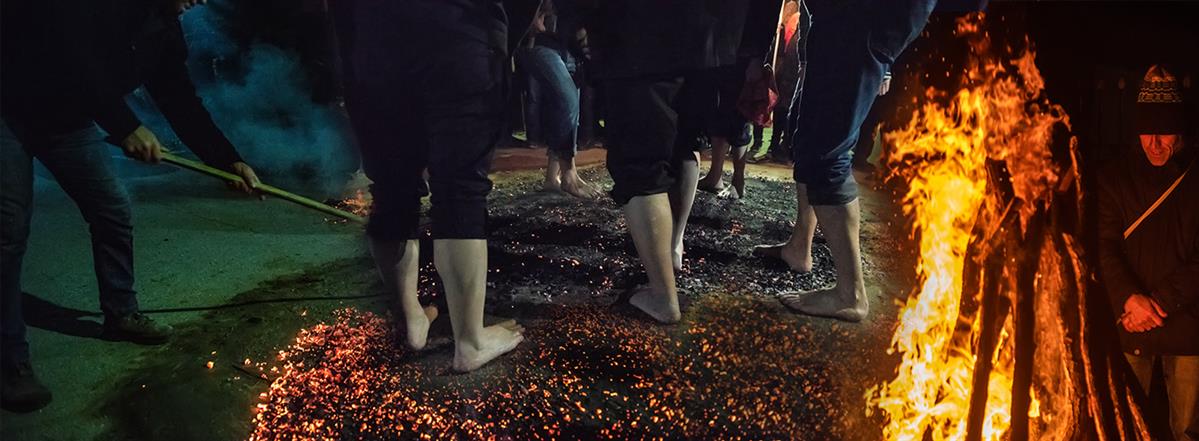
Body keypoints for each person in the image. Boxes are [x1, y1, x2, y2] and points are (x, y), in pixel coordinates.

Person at [1, 0, 262, 412]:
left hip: (66, 121)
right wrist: (126, 127)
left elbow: (178, 98)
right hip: (10, 108)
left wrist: (226, 161)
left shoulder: (165, 28)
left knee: (112, 210)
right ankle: (10, 362)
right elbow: (76, 60)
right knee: (8, 233)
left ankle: (121, 313)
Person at [331, 0, 526, 372]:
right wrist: (500, 36)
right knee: (460, 187)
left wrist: (354, 55)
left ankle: (410, 320)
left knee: (391, 186)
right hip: (461, 35)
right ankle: (470, 342)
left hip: (374, 44)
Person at [753, 0, 937, 322]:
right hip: (844, 20)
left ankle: (850, 294)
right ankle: (799, 247)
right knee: (805, 135)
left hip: (859, 19)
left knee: (826, 151)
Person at [1098, 65, 1198, 441]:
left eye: (1165, 131)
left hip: (1186, 326)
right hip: (1132, 323)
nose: (1154, 143)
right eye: (1147, 131)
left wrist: (1154, 304)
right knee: (1125, 428)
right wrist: (1128, 298)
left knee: (1186, 431)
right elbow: (1105, 247)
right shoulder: (1115, 178)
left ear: (1181, 130)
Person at [697, 0, 783, 200]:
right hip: (722, 48)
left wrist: (757, 58)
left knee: (739, 116)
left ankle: (738, 180)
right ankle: (715, 175)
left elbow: (767, 17)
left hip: (743, 52)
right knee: (719, 113)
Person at [517, 0, 600, 199]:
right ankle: (569, 174)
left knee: (568, 110)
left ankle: (551, 178)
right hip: (540, 42)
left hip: (569, 46)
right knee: (567, 102)